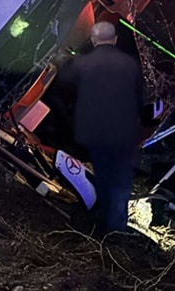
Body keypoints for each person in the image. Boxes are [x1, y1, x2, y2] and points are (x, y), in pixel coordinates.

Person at [58, 21, 147, 235]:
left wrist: (62, 60)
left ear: (93, 40)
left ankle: (102, 223)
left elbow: (63, 81)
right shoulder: (130, 64)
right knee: (121, 179)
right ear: (115, 40)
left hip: (96, 131)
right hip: (123, 132)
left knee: (103, 175)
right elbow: (142, 97)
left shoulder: (84, 63)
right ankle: (116, 228)